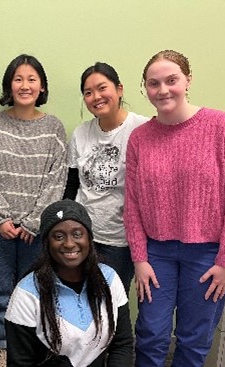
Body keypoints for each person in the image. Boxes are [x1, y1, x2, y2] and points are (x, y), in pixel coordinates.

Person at [124, 50, 225, 367]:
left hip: (209, 253)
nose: (163, 90)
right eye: (154, 84)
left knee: (194, 337)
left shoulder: (221, 127)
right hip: (157, 252)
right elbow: (133, 204)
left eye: (171, 80)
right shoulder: (139, 138)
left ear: (188, 81)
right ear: (145, 89)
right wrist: (139, 257)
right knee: (151, 331)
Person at [0, 54, 67, 367]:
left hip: (36, 230)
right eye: (18, 79)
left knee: (37, 290)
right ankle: (3, 348)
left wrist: (32, 221)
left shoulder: (54, 128)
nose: (25, 85)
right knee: (1, 290)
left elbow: (56, 180)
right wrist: (0, 217)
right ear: (8, 85)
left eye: (31, 79)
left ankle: (31, 351)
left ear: (41, 86)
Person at [5, 199, 133, 367]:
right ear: (47, 243)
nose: (69, 243)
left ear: (89, 239)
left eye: (77, 234)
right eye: (58, 236)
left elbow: (122, 345)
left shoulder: (110, 280)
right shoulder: (27, 292)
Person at [64, 62, 149, 295]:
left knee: (110, 301)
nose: (96, 97)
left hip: (120, 240)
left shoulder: (141, 129)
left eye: (102, 88)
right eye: (88, 92)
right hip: (83, 236)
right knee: (79, 297)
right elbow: (72, 185)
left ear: (119, 89)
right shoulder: (81, 133)